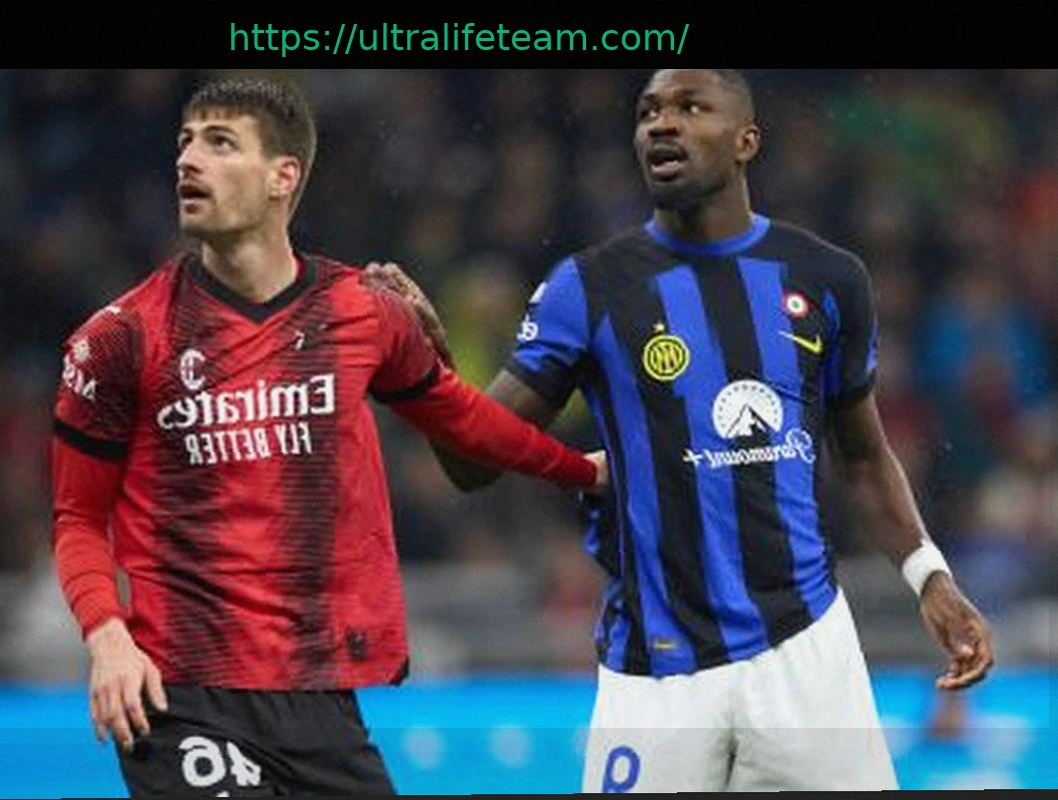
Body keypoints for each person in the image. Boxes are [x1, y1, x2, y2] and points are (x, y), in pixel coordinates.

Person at [369, 68, 994, 792]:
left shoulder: (827, 278)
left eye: (691, 107)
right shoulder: (590, 288)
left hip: (805, 657)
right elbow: (471, 466)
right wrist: (435, 372)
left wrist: (930, 577)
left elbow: (862, 456)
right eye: (648, 112)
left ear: (746, 140)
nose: (661, 124)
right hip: (655, 675)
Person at [49, 77, 606, 797]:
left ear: (284, 176)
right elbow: (78, 517)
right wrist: (106, 636)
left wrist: (585, 471)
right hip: (182, 693)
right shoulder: (120, 340)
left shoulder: (361, 313)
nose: (189, 159)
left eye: (220, 143)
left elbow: (466, 421)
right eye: (185, 142)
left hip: (319, 697)